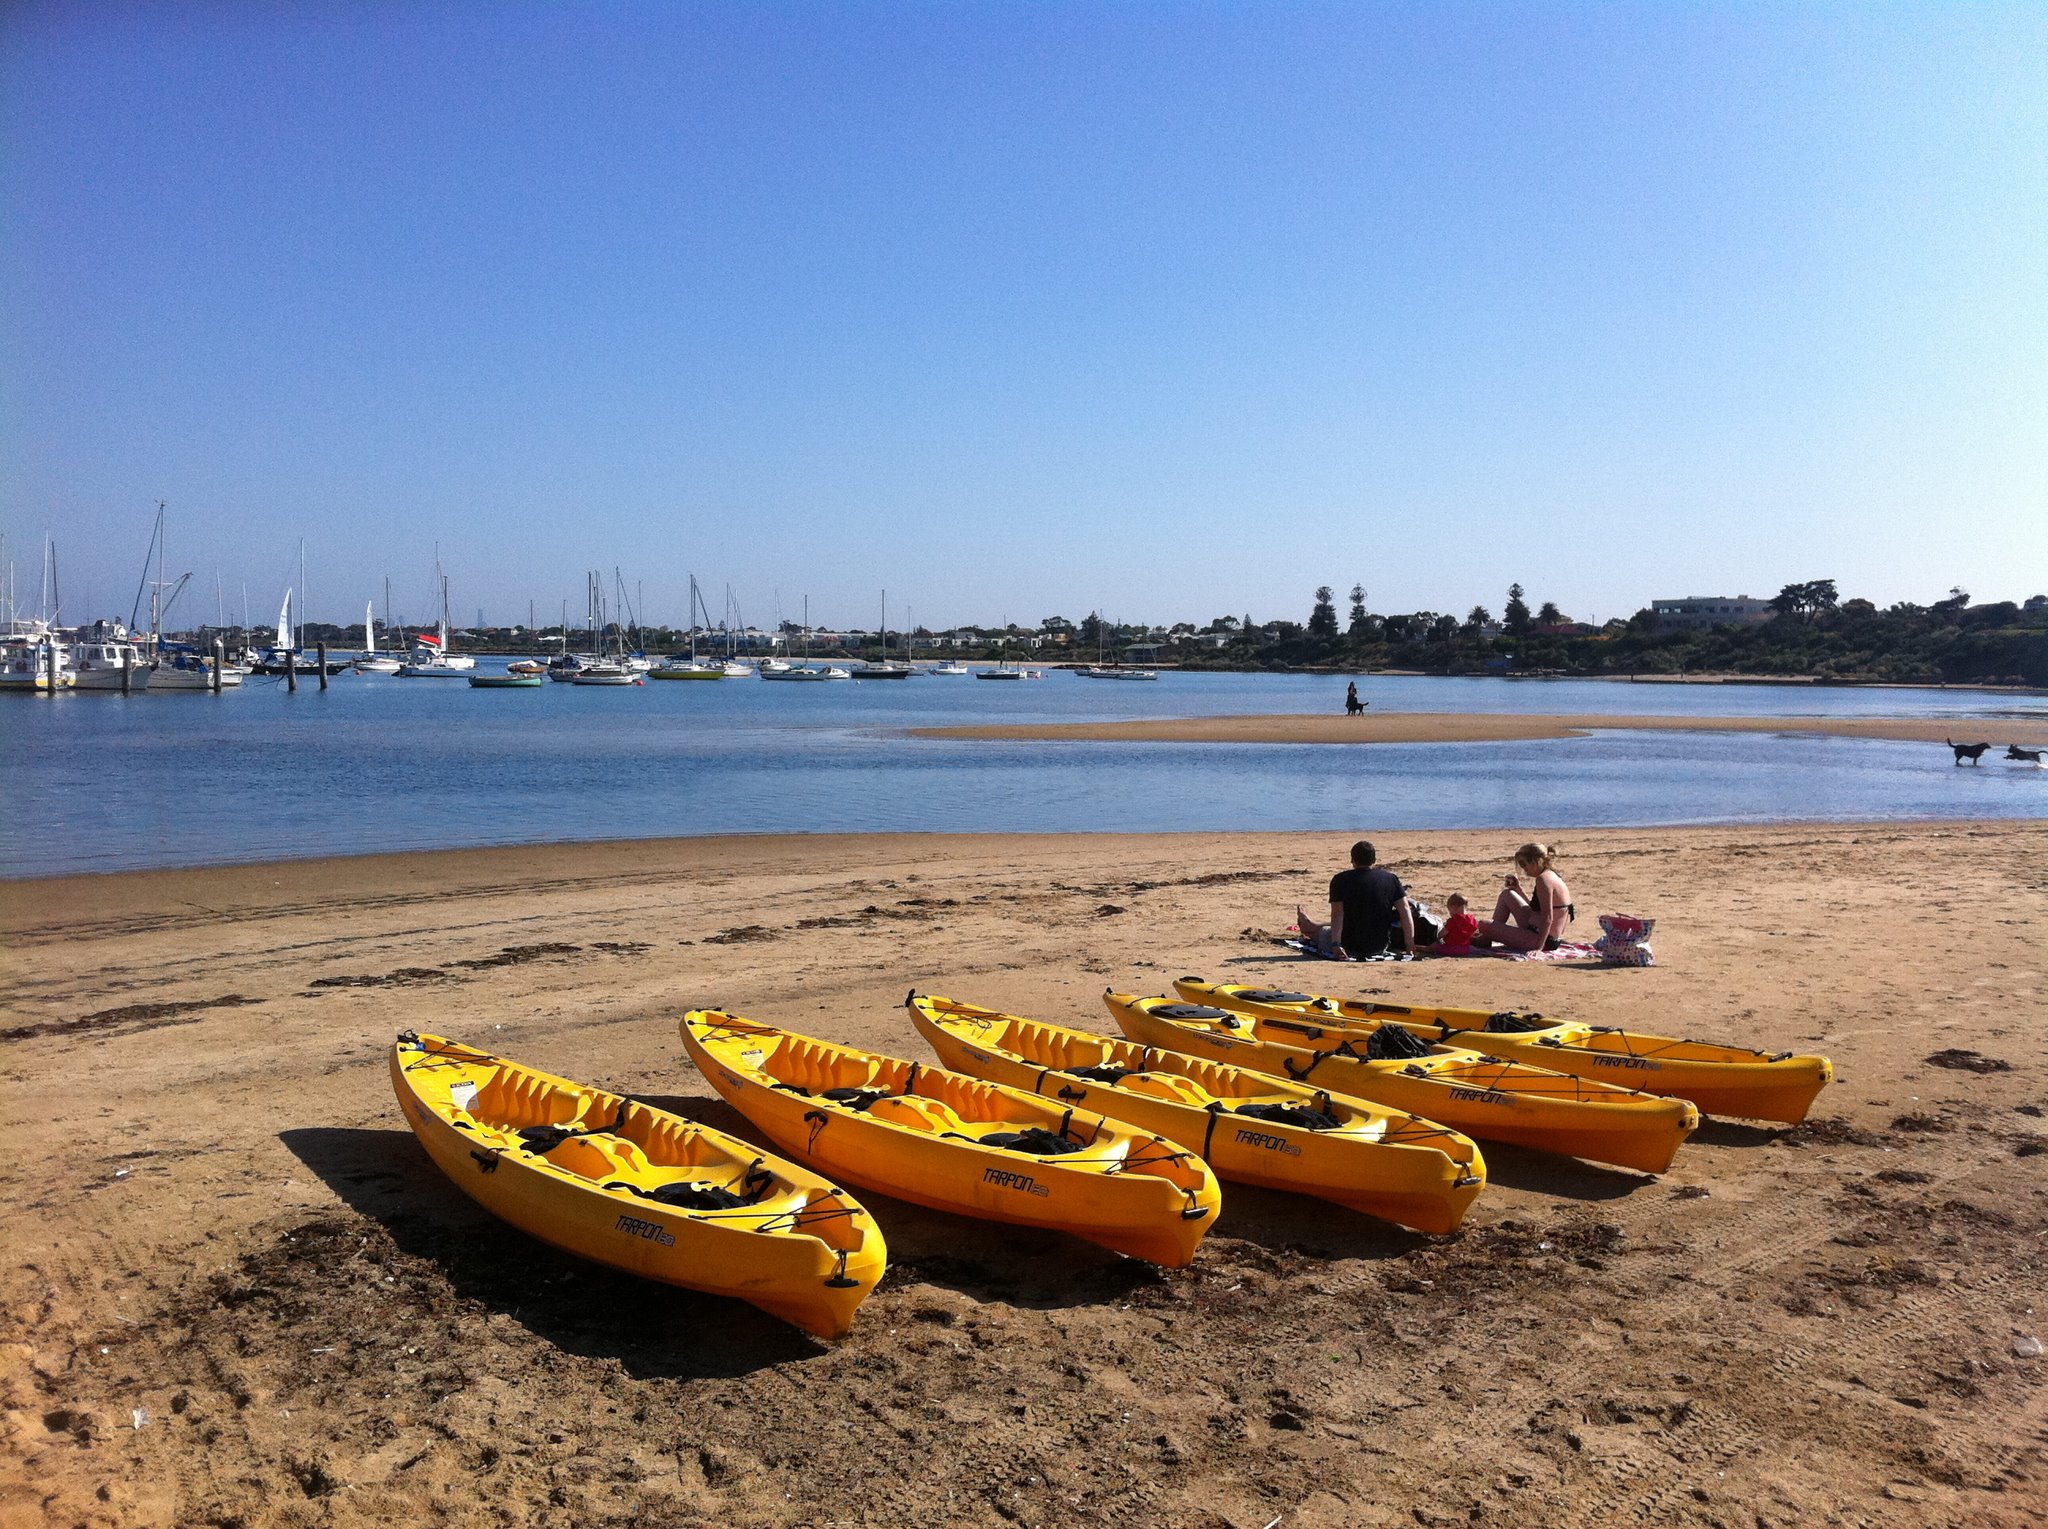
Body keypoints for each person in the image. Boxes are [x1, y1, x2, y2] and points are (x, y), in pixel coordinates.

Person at [1295, 840, 1414, 960]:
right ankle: (1312, 925)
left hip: (1349, 946)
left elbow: (1337, 914)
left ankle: (1309, 927)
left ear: (1353, 860)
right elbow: (1405, 910)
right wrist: (1410, 944)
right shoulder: (1391, 879)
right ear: (1374, 860)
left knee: (1321, 934)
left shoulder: (1340, 880)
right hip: (1380, 945)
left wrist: (1336, 944)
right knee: (1362, 917)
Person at [1474, 842, 1575, 952]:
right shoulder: (1550, 874)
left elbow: (1548, 917)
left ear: (1535, 861)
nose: (1523, 868)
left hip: (1542, 938)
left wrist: (1539, 947)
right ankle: (1488, 937)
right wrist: (1518, 889)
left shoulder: (1543, 880)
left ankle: (1487, 937)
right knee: (1507, 894)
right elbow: (1536, 909)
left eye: (1523, 864)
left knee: (1484, 925)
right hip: (1539, 931)